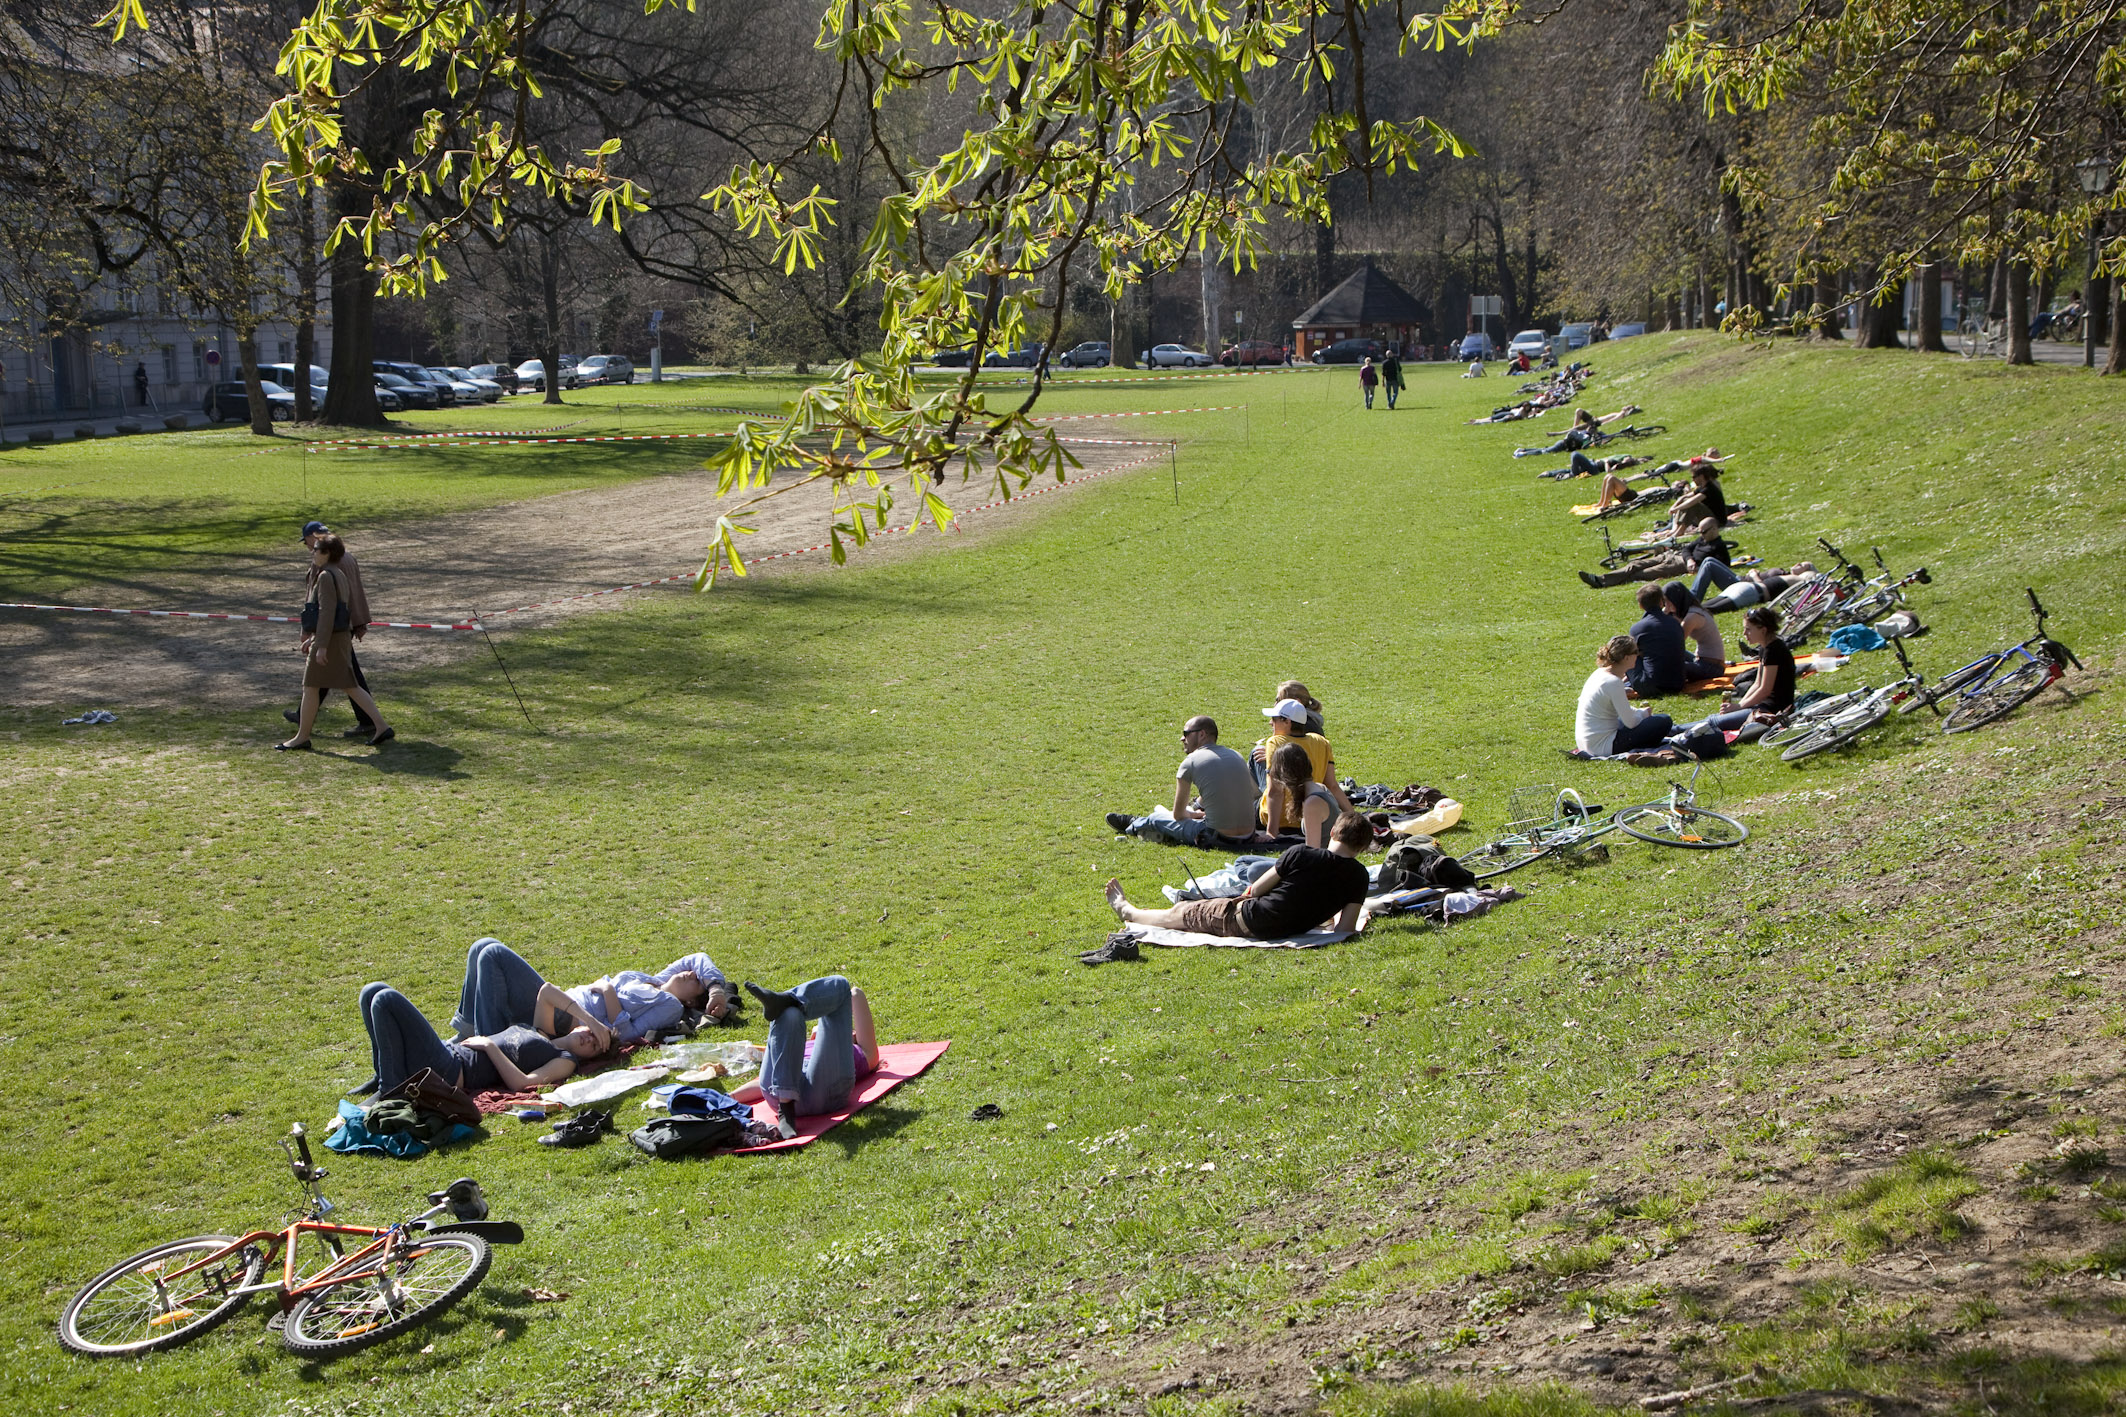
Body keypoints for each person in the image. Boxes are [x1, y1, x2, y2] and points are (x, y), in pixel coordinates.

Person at [1103, 810, 1374, 940]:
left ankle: (1129, 912)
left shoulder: (1302, 853)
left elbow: (1255, 890)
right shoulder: (1359, 877)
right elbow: (1345, 929)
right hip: (1287, 928)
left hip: (1252, 919)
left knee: (1183, 913)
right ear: (1361, 848)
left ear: (1334, 832)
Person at [451, 937, 727, 1047]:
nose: (691, 973)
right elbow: (698, 956)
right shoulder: (656, 981)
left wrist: (608, 991)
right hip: (559, 1001)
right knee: (482, 946)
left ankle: (487, 1044)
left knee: (493, 954)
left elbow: (628, 1034)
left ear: (691, 999)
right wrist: (715, 987)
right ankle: (467, 1032)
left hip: (565, 1018)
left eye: (696, 982)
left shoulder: (671, 1006)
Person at [357, 982, 601, 1098]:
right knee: (371, 991)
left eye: (595, 1046)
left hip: (453, 1069)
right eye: (591, 1034)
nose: (589, 1040)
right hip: (448, 1051)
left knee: (385, 999)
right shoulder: (543, 1029)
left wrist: (490, 1046)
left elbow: (523, 1084)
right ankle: (385, 1077)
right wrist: (592, 1021)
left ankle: (389, 1092)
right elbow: (547, 991)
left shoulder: (565, 1059)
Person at [278, 534, 392, 750]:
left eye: (317, 549)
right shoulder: (337, 573)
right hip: (336, 638)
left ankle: (302, 737)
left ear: (327, 553)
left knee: (315, 687)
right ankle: (380, 726)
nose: (313, 552)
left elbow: (327, 613)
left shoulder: (325, 576)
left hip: (330, 641)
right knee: (345, 686)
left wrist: (319, 645)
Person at [728, 977, 881, 1138]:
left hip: (823, 1092)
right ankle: (786, 1109)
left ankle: (786, 1000)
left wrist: (833, 1003)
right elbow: (760, 1083)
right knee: (790, 1013)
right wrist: (728, 1098)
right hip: (779, 1093)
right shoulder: (798, 1041)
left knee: (840, 986)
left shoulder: (854, 1053)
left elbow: (855, 994)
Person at [1105, 715, 1260, 846]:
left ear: (1202, 734)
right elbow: (1254, 793)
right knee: (1177, 815)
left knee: (1157, 818)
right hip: (1248, 835)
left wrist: (1194, 815)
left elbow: (1179, 815)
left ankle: (1134, 824)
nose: (1182, 738)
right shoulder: (1235, 755)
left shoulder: (1191, 761)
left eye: (1186, 733)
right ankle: (1154, 829)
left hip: (1216, 836)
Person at [1682, 607, 1793, 739]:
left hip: (1771, 709)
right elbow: (1757, 683)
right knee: (1714, 720)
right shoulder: (1766, 648)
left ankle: (1672, 731)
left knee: (1713, 723)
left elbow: (1765, 689)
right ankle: (1673, 731)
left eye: (1748, 629)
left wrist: (1739, 706)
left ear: (1763, 630)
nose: (1744, 633)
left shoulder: (1774, 651)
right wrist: (1737, 707)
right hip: (1762, 705)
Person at [1252, 697, 1352, 828]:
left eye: (1274, 719)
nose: (1271, 723)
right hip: (1313, 816)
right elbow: (1332, 785)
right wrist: (1353, 817)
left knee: (1254, 753)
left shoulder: (1275, 742)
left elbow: (1275, 790)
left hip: (1282, 819)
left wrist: (1272, 832)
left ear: (1287, 721)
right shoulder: (1321, 741)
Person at [1575, 634, 1675, 756]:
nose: (1638, 655)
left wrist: (1639, 712)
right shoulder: (1614, 682)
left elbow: (1622, 710)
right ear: (1626, 658)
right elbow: (1631, 722)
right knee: (1663, 721)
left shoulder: (1599, 674)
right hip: (1603, 747)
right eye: (1635, 652)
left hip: (1586, 742)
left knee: (1646, 721)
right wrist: (1643, 714)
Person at [1578, 519, 1733, 589]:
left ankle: (1604, 583)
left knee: (1642, 574)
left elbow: (1722, 567)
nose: (1701, 534)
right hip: (1672, 556)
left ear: (1714, 529)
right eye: (1700, 531)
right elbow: (1687, 549)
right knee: (1634, 564)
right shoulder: (1702, 538)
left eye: (1704, 531)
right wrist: (1690, 558)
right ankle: (1601, 579)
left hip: (1679, 565)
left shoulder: (1719, 547)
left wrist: (1694, 566)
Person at [1625, 582, 1689, 696]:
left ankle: (1617, 682)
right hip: (1678, 683)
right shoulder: (1675, 623)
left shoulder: (1638, 628)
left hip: (1653, 687)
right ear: (1661, 602)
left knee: (1626, 652)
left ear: (1640, 605)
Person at [1268, 740, 1337, 847]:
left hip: (1323, 861)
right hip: (1326, 857)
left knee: (1244, 861)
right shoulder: (1320, 787)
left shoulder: (1312, 802)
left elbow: (1312, 850)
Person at [1665, 581, 1727, 682]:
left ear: (1676, 600)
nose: (1666, 605)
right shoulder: (1690, 610)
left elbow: (1676, 644)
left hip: (1713, 667)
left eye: (1668, 601)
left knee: (1669, 666)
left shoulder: (1692, 617)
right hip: (1701, 659)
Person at [1697, 560, 1815, 611]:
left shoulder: (1796, 581)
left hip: (1747, 590)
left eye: (1803, 566)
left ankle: (1685, 605)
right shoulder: (1791, 580)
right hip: (1747, 591)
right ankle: (1684, 608)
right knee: (1705, 609)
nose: (1798, 564)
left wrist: (1754, 576)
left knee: (1702, 608)